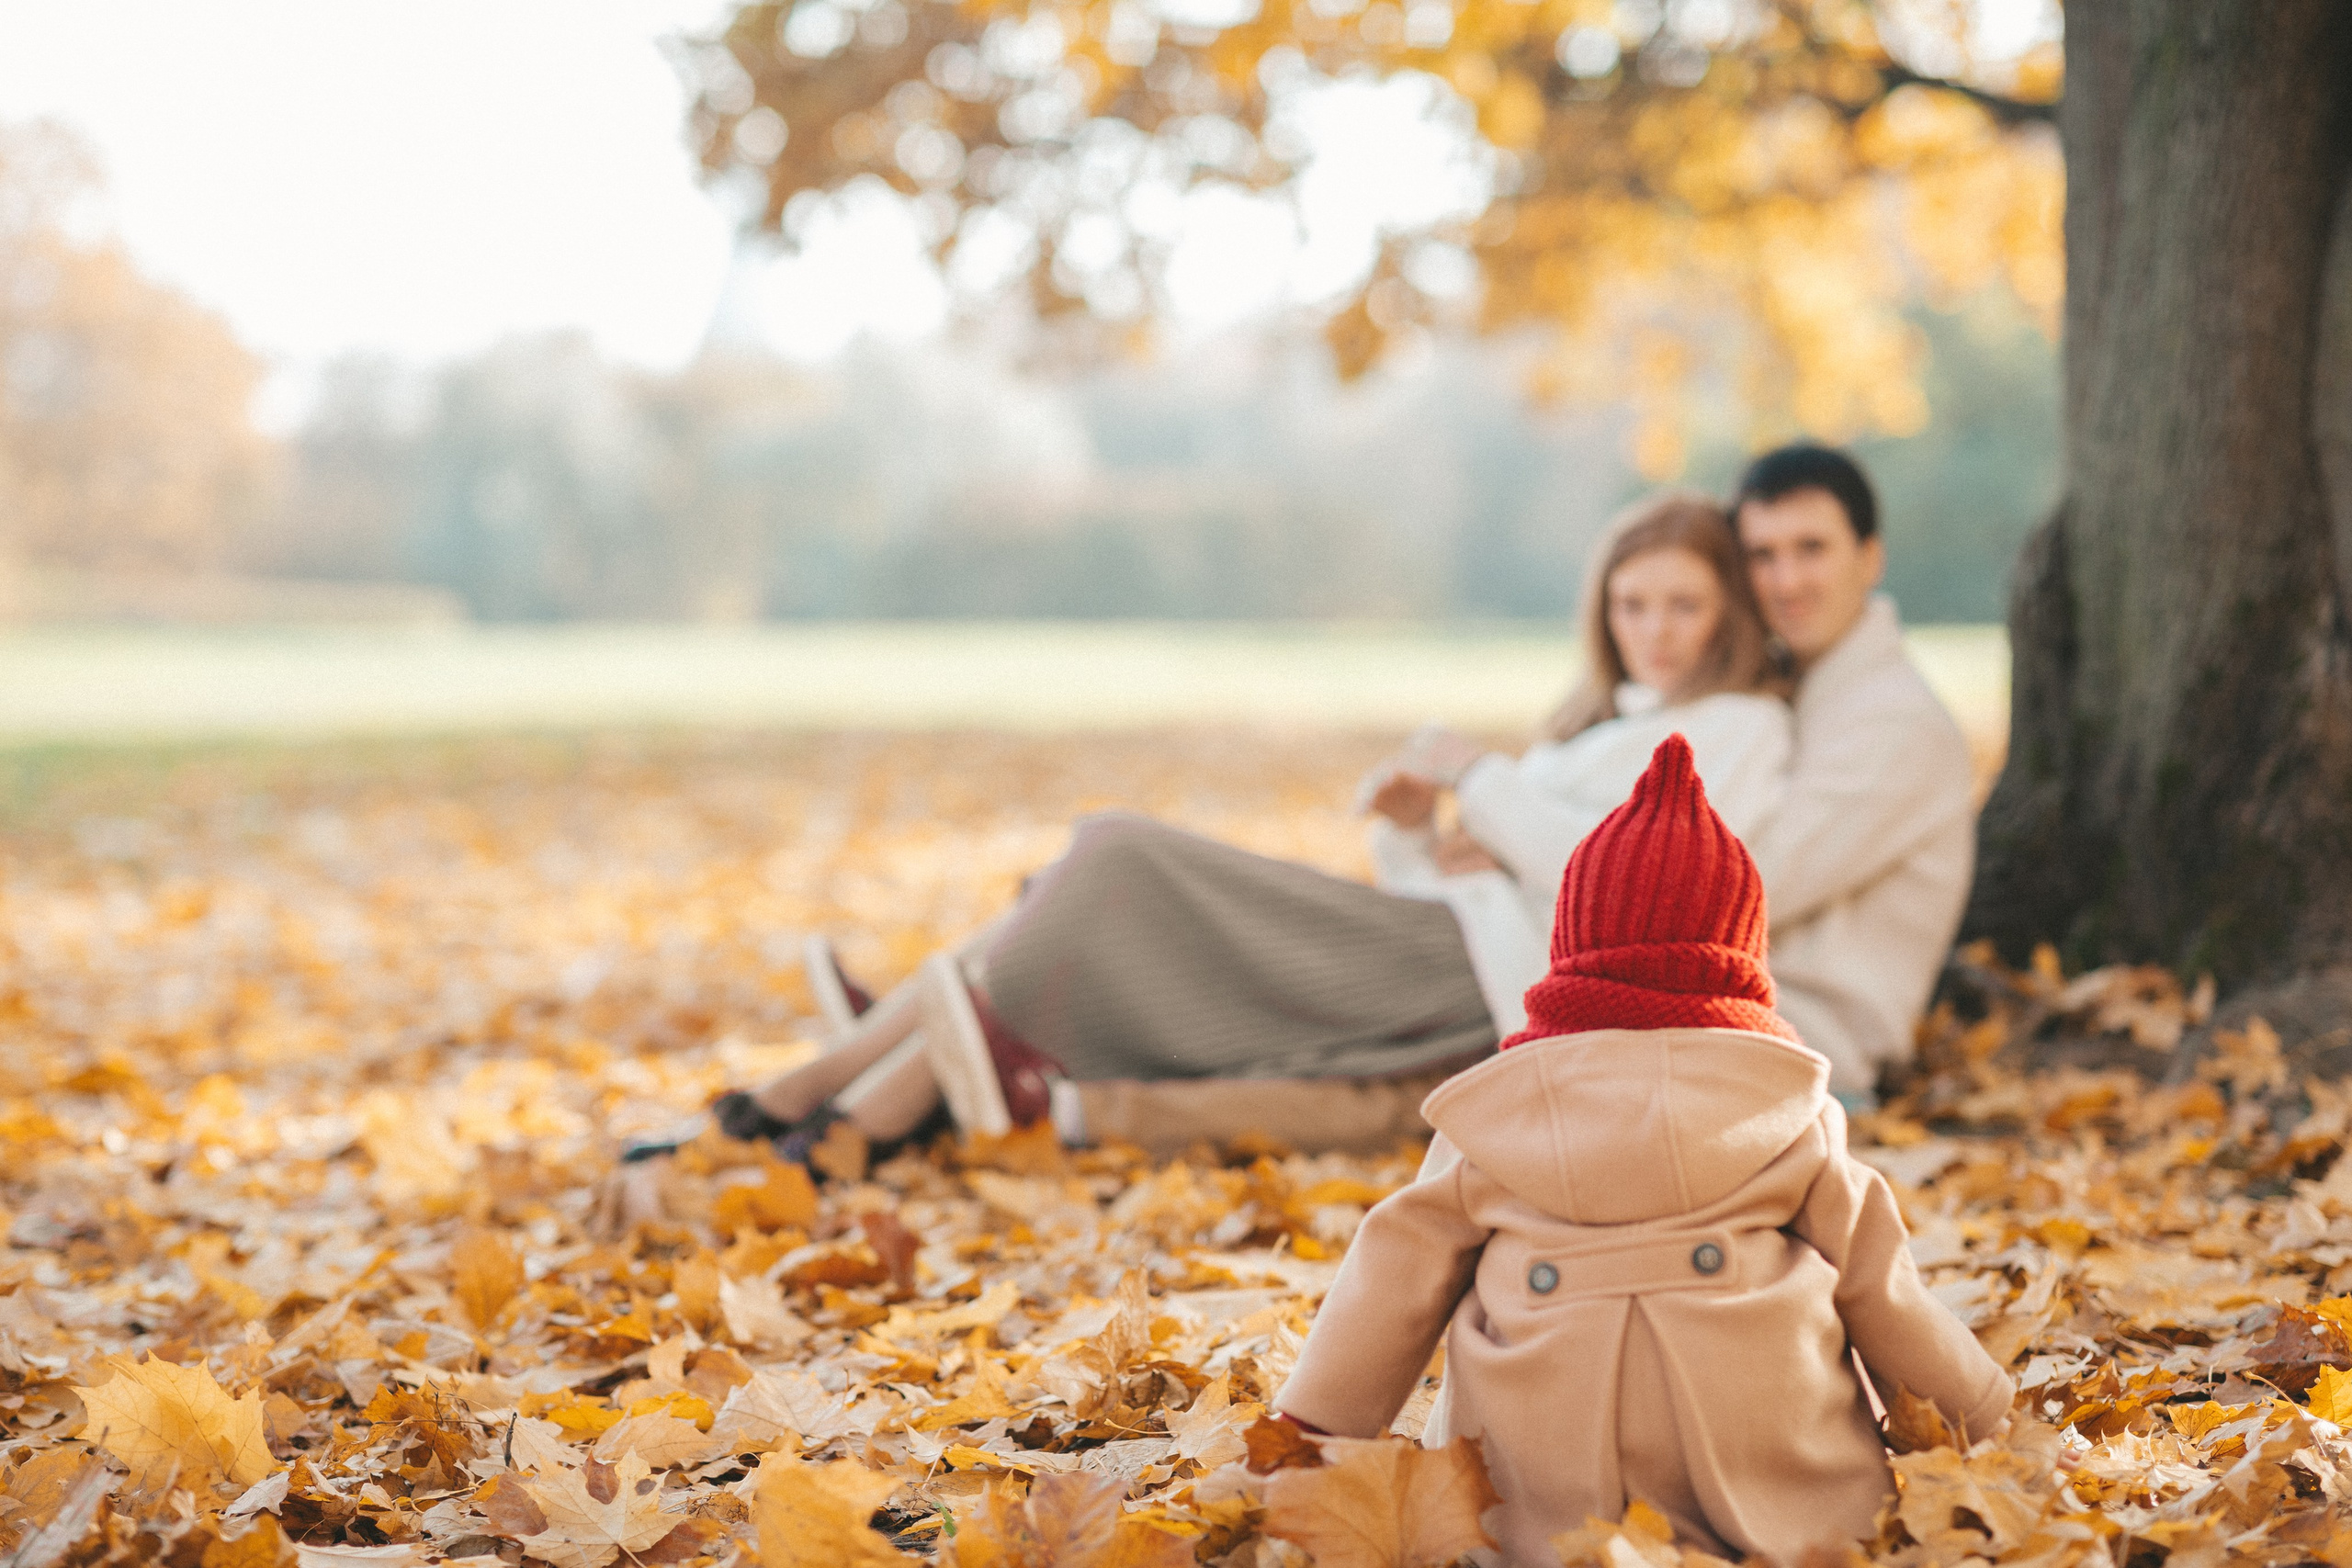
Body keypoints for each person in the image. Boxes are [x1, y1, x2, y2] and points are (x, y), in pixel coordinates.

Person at [694, 491, 1793, 1161]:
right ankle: (859, 1096)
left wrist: (1481, 782)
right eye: (1631, 604)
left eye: (1683, 605)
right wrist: (1418, 834)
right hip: (1438, 948)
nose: (1653, 630)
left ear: (1727, 614)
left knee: (1116, 856)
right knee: (1073, 884)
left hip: (1489, 986)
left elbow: (1652, 885)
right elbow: (1472, 881)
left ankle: (871, 1050)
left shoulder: (1740, 726)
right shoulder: (1596, 728)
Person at [1271, 737, 2012, 1566]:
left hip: (1534, 1496)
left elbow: (1393, 1282)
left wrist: (1306, 1436)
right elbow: (1885, 1291)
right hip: (1772, 1487)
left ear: (1572, 949)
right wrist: (1984, 1418)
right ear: (1741, 959)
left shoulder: (1495, 1114)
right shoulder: (1790, 1112)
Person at [1730, 445, 1976, 1102]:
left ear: (1871, 557)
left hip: (1806, 1054)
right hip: (1732, 1025)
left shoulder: (1894, 721)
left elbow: (1752, 886)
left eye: (1812, 548)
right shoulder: (1797, 694)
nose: (1786, 582)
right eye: (1763, 555)